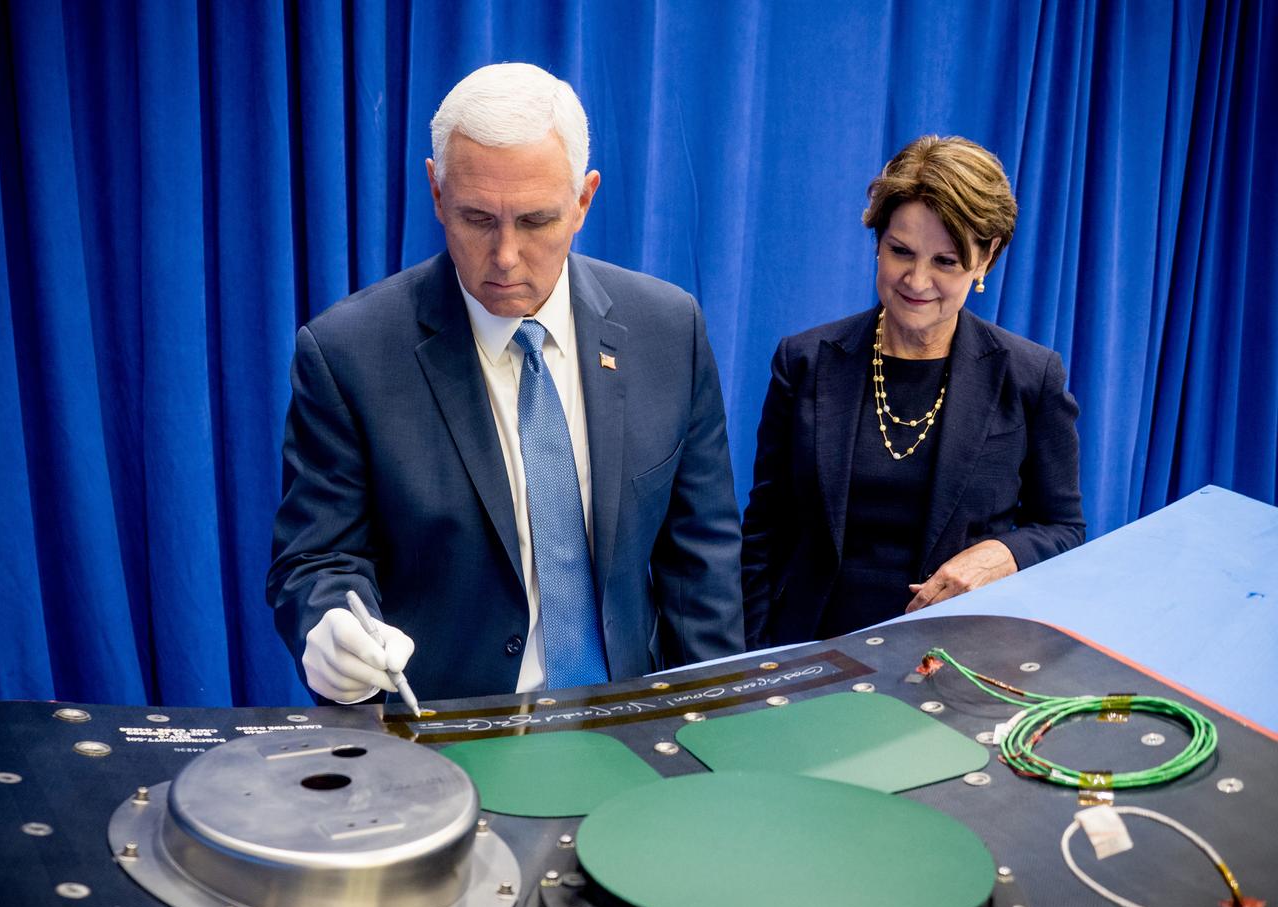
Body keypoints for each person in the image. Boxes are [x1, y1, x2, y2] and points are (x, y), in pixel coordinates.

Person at [268, 63, 743, 705]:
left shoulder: (667, 330)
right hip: (443, 729)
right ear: (437, 193)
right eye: (477, 218)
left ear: (583, 201)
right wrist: (330, 627)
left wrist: (711, 720)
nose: (506, 256)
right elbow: (319, 560)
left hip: (627, 720)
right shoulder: (349, 355)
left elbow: (701, 564)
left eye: (536, 221)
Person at [741, 135, 1084, 650]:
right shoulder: (805, 361)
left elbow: (1063, 528)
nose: (917, 281)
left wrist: (1003, 554)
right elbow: (765, 531)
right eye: (901, 251)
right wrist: (754, 657)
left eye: (946, 261)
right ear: (877, 241)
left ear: (986, 258)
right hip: (812, 655)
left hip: (956, 658)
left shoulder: (1030, 376)